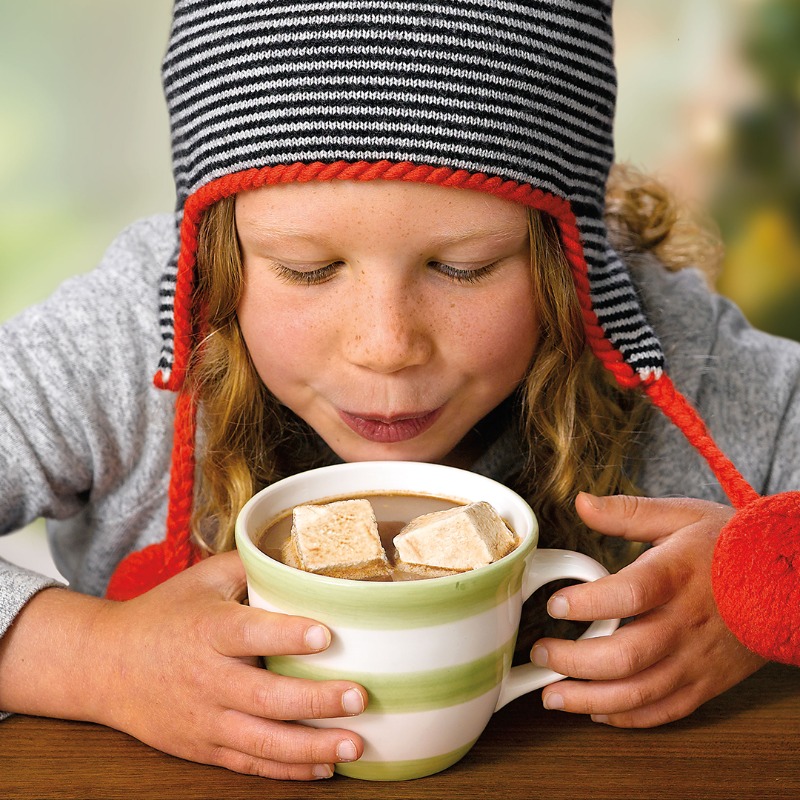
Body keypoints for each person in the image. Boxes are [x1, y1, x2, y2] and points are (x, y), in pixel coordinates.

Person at [0, 0, 798, 782]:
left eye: (464, 267)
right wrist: (99, 661)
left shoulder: (678, 359)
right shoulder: (127, 338)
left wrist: (757, 592)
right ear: (218, 252)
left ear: (566, 257)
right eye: (307, 269)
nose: (385, 347)